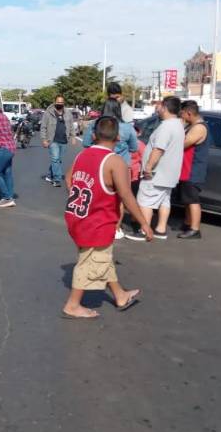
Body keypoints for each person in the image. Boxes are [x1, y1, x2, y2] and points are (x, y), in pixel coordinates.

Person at [62, 116, 154, 319]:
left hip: (77, 216)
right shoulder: (115, 162)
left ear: (94, 135)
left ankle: (120, 294)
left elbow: (69, 179)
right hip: (97, 221)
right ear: (118, 138)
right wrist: (144, 223)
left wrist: (84, 198)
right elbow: (126, 196)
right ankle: (73, 304)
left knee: (100, 258)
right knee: (89, 262)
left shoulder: (82, 155)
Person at [126, 96, 185, 241]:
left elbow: (158, 149)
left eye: (159, 106)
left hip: (157, 172)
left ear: (165, 107)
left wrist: (148, 167)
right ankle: (161, 229)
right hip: (169, 173)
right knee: (164, 200)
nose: (157, 109)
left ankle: (143, 230)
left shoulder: (166, 126)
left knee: (145, 200)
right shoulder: (178, 125)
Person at [82, 99, 139, 239]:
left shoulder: (96, 125)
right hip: (123, 166)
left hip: (99, 165)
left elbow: (85, 143)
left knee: (99, 196)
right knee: (120, 197)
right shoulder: (127, 127)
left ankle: (97, 224)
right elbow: (134, 148)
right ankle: (116, 228)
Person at [177, 100, 210, 239]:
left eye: (183, 113)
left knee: (192, 200)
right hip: (187, 169)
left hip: (193, 170)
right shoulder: (192, 126)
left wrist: (180, 125)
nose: (181, 116)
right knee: (187, 199)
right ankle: (188, 223)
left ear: (189, 113)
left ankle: (195, 229)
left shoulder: (198, 128)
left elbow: (183, 144)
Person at [40, 95, 74, 187]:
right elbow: (43, 127)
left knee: (58, 160)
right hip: (52, 140)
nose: (60, 104)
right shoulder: (48, 113)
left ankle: (49, 175)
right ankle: (57, 179)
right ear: (55, 102)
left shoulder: (68, 113)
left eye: (61, 102)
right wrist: (44, 139)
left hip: (64, 140)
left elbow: (71, 125)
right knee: (55, 159)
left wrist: (73, 137)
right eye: (58, 102)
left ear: (64, 103)